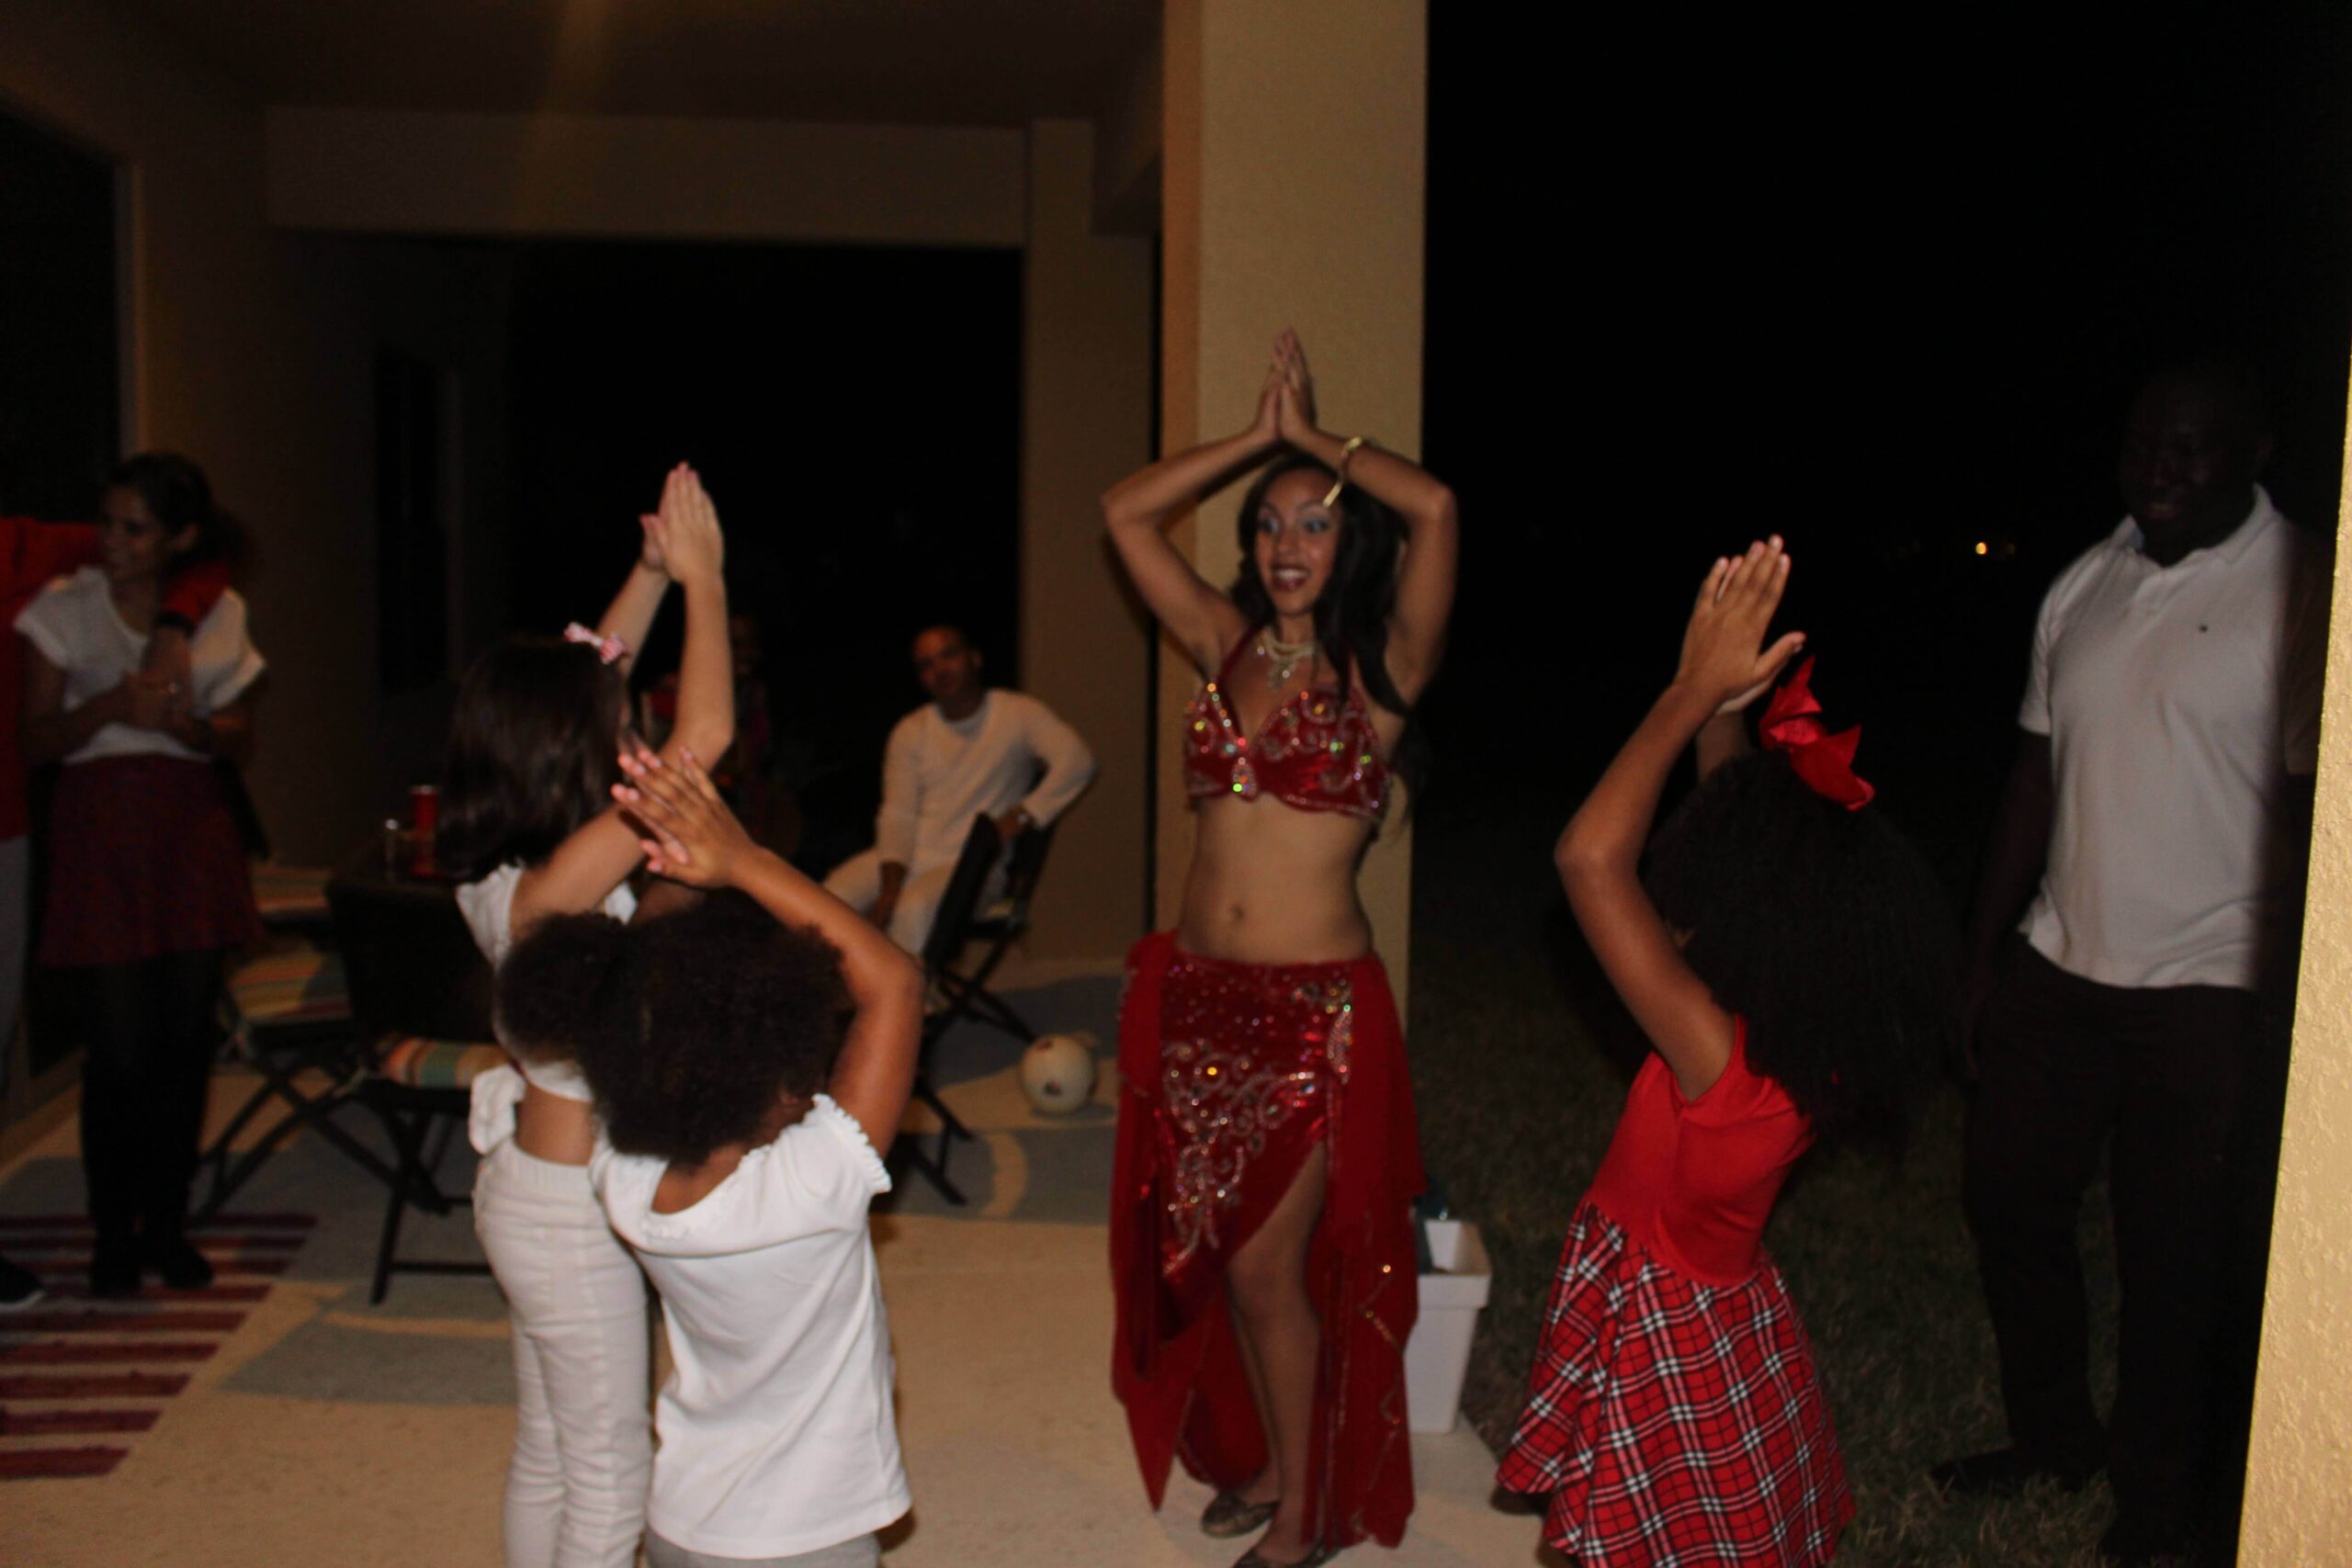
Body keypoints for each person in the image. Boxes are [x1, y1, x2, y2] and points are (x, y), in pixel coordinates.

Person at [1934, 368, 2324, 1565]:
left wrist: (2292, 1002)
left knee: (2174, 1257)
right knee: (2009, 1198)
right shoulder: (2084, 583)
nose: (2159, 464)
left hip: (2212, 979)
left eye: (2191, 447)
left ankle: (2159, 1503)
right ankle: (2055, 1436)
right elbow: (2033, 777)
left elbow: (2313, 814)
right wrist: (1982, 954)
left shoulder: (2303, 592)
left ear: (2254, 451)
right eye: (2145, 441)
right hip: (2060, 959)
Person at [1498, 541, 1951, 1564]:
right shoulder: (1799, 1038)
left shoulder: (1716, 1055)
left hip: (1663, 1333)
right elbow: (1735, 825)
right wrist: (1723, 712)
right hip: (1721, 1318)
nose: (1695, 898)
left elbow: (1588, 858)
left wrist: (1685, 692)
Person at [1101, 330, 1456, 1567]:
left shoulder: (1384, 668)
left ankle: (1307, 1514)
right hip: (1199, 997)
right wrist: (1253, 438)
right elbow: (1124, 511)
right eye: (1267, 524)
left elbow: (1438, 505)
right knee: (1207, 1256)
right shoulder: (1225, 642)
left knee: (1265, 1269)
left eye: (1314, 523)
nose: (1287, 545)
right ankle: (1266, 1460)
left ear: (1350, 543)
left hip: (1312, 1017)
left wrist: (1314, 440)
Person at [497, 742, 922, 1568]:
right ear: (777, 1086)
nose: (817, 1088)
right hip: (802, 1543)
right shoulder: (808, 1190)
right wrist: (743, 859)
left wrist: (686, 863)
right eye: (807, 1073)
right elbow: (895, 985)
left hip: (681, 1523)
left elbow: (642, 990)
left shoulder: (621, 1174)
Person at [436, 463, 732, 1568]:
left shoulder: (497, 870)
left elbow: (589, 669)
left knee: (552, 1453)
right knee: (613, 1478)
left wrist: (647, 574)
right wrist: (705, 581)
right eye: (611, 725)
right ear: (570, 754)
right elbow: (704, 737)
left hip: (529, 1183)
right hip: (566, 1212)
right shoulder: (557, 888)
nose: (629, 731)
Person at [16, 454, 259, 1296]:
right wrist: (112, 708)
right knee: (118, 1052)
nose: (111, 542)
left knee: (184, 1044)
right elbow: (35, 740)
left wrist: (195, 729)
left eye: (134, 529)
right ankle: (111, 1232)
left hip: (188, 828)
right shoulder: (63, 609)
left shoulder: (220, 611)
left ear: (179, 539)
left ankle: (167, 1224)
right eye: (107, 522)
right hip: (100, 828)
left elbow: (238, 731)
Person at [821, 623, 1094, 953]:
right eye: (927, 664)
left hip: (976, 867)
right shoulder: (911, 731)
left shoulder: (1017, 713)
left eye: (949, 655)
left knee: (914, 909)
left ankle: (910, 988)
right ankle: (842, 984)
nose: (940, 669)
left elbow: (1077, 761)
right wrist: (889, 888)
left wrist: (1022, 816)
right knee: (830, 899)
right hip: (913, 854)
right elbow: (898, 815)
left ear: (974, 658)